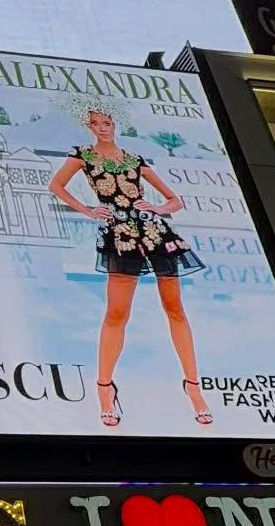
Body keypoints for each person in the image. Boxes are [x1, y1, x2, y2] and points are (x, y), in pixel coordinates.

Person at [48, 103, 212, 428]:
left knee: (175, 308)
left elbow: (175, 200)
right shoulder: (83, 155)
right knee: (116, 314)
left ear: (114, 124)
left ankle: (194, 387)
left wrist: (158, 207)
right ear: (89, 126)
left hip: (154, 231)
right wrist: (90, 210)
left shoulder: (135, 159)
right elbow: (56, 186)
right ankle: (104, 389)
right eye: (95, 123)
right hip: (118, 234)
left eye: (106, 122)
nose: (101, 127)